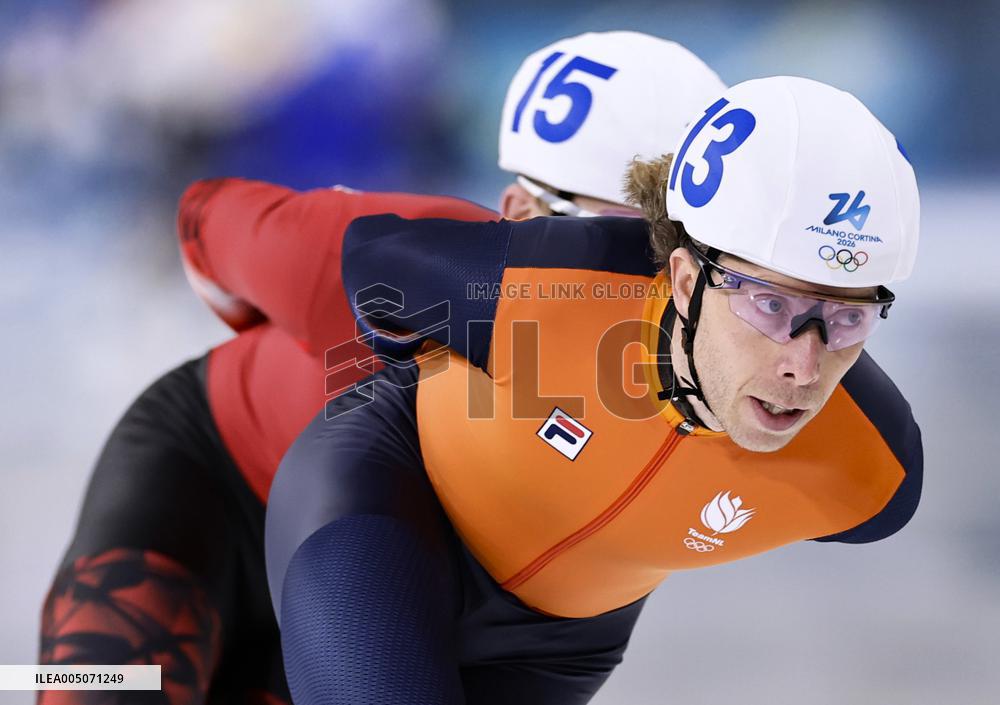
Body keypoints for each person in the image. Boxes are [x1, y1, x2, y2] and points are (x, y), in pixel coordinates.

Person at [39, 32, 726, 705]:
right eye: (625, 241)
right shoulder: (391, 249)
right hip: (214, 483)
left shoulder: (744, 355)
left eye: (691, 248)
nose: (657, 277)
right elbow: (203, 219)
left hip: (402, 579)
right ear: (516, 217)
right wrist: (290, 332)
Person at [263, 76, 922, 705]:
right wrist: (419, 361)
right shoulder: (556, 282)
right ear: (687, 282)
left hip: (557, 643)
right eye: (771, 306)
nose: (803, 366)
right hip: (393, 501)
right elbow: (372, 256)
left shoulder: (873, 473)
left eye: (847, 319)